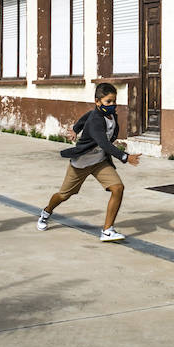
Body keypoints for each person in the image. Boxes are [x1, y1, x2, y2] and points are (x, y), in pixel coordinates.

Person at [37, 83, 142, 242]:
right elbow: (104, 143)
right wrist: (126, 157)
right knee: (64, 195)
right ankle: (46, 212)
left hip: (99, 162)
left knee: (118, 188)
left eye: (114, 101)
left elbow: (87, 115)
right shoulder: (96, 121)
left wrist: (75, 129)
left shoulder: (110, 115)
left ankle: (107, 231)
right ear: (98, 101)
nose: (112, 105)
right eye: (108, 102)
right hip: (81, 163)